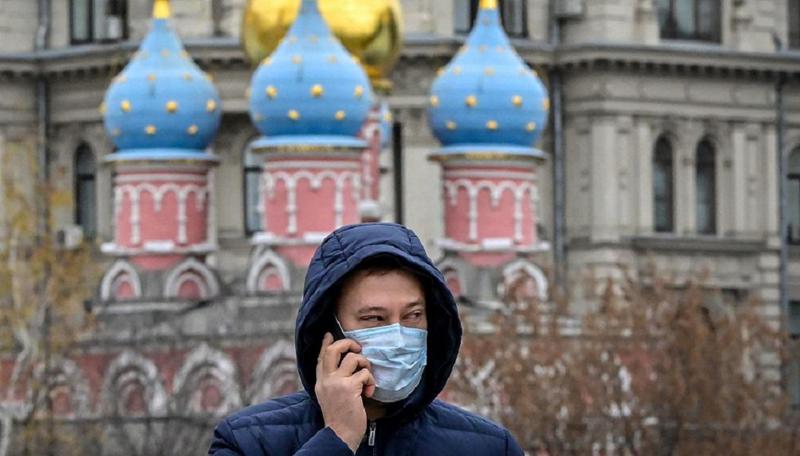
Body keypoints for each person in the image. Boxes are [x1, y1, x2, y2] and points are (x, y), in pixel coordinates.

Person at [209, 223, 524, 455]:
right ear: (328, 332)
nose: (399, 336)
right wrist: (337, 437)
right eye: (375, 319)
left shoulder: (489, 447)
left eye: (413, 315)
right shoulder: (247, 442)